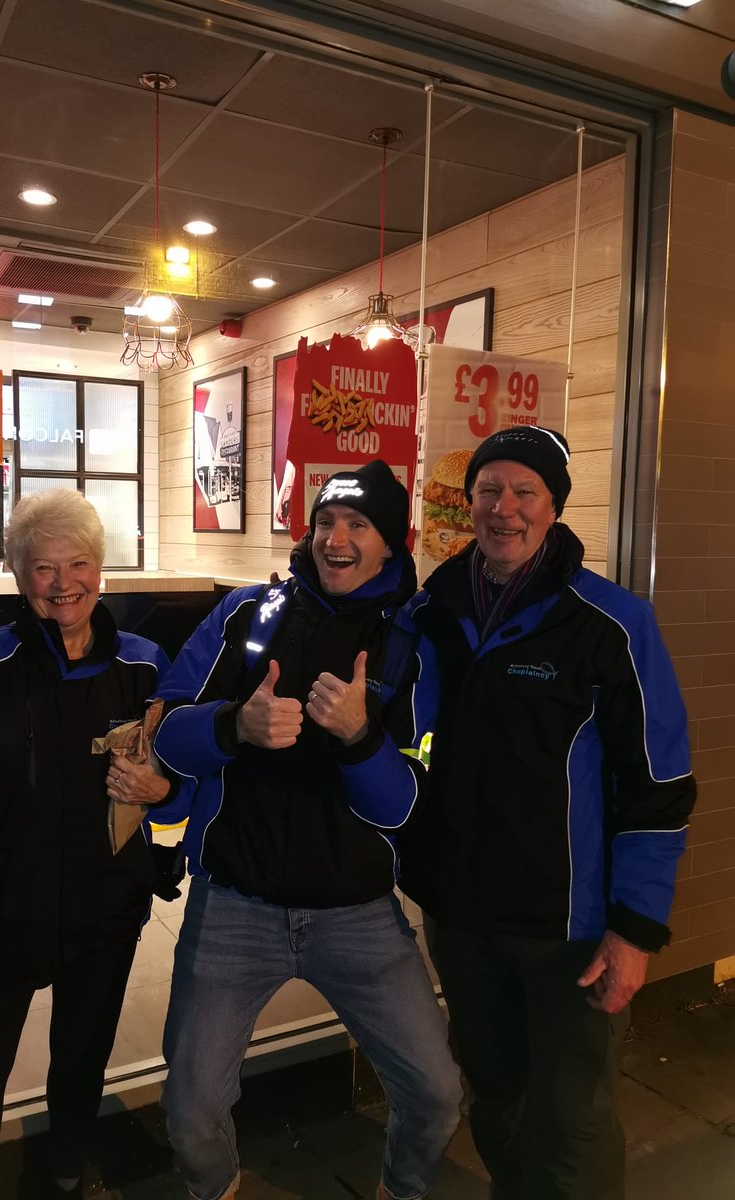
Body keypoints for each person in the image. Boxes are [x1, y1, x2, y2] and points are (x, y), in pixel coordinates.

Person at [151, 460, 462, 1200]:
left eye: (358, 525)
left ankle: (404, 1189)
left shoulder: (415, 647)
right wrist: (236, 726)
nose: (336, 539)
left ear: (392, 542)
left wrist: (359, 738)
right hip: (234, 908)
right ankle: (220, 1190)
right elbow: (166, 735)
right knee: (190, 1108)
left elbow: (404, 808)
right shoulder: (249, 615)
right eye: (326, 522)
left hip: (358, 916)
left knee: (437, 1092)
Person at [400, 426, 697, 1200]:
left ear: (554, 508)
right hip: (464, 920)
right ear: (467, 504)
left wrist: (635, 930)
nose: (504, 508)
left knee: (571, 1121)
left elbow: (658, 785)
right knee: (495, 1103)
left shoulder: (612, 622)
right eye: (488, 490)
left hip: (573, 932)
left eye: (524, 491)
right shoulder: (432, 610)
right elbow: (407, 741)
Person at [0, 489, 186, 1200]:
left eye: (78, 563)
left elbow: (186, 768)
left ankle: (66, 1173)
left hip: (107, 911)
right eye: (43, 568)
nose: (62, 583)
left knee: (81, 1063)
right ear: (20, 577)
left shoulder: (146, 667)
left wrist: (164, 801)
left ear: (100, 570)